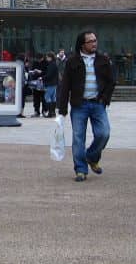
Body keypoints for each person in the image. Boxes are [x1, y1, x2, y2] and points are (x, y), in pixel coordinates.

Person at [57, 30, 115, 182]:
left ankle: (91, 156)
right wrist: (62, 108)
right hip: (79, 105)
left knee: (104, 133)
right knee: (78, 138)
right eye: (90, 41)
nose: (94, 43)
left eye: (95, 40)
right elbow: (65, 86)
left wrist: (105, 99)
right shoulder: (72, 61)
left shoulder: (103, 60)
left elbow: (111, 82)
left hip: (98, 104)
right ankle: (81, 170)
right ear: (82, 44)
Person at [42, 51, 58, 117]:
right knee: (53, 98)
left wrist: (42, 78)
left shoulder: (51, 64)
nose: (46, 58)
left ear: (50, 57)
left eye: (47, 57)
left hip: (50, 83)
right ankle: (53, 112)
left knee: (47, 97)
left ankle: (50, 113)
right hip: (54, 83)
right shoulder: (54, 64)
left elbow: (49, 75)